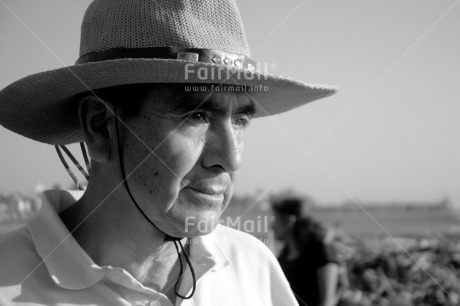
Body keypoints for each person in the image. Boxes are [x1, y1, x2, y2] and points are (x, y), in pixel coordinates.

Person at [0, 0, 336, 305]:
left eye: (240, 119)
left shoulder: (252, 266)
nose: (232, 159)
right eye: (197, 116)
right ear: (101, 126)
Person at [272, 198, 341, 306]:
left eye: (275, 219)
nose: (272, 226)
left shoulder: (321, 250)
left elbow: (327, 301)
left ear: (290, 220)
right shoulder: (283, 256)